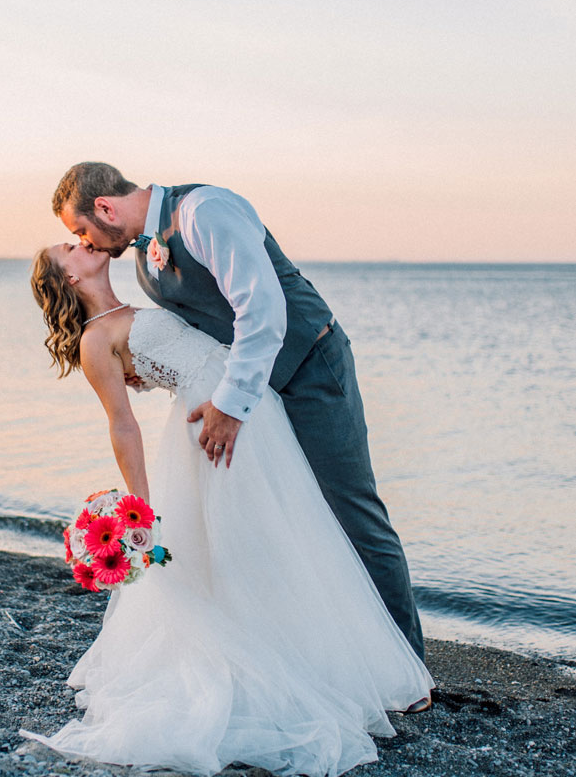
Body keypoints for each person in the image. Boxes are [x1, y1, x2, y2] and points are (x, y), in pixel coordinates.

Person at [21, 243, 433, 777]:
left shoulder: (134, 306)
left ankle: (327, 664)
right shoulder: (95, 339)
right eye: (69, 248)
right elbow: (122, 424)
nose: (82, 243)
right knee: (254, 543)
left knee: (296, 534)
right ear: (70, 278)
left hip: (247, 409)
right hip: (211, 431)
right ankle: (274, 672)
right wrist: (141, 509)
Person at [50, 162, 427, 667]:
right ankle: (329, 656)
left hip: (308, 368)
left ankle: (407, 666)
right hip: (254, 395)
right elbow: (202, 332)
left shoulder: (204, 212)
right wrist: (150, 368)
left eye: (81, 230)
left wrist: (229, 404)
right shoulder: (144, 263)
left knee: (351, 510)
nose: (87, 242)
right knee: (288, 522)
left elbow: (261, 309)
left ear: (104, 208)